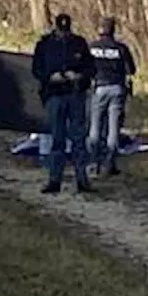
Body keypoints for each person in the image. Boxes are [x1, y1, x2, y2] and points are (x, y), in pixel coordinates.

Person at [31, 13, 96, 194]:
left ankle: (82, 179)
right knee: (57, 139)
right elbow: (36, 68)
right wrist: (50, 77)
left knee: (78, 138)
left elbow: (91, 68)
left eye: (66, 31)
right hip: (54, 95)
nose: (64, 35)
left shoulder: (79, 43)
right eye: (61, 31)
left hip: (75, 95)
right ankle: (54, 180)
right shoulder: (44, 44)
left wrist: (79, 76)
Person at [87, 16, 137, 177]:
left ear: (99, 29)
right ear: (113, 30)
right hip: (117, 88)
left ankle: (94, 162)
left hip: (99, 88)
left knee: (95, 127)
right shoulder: (120, 48)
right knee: (113, 129)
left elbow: (84, 68)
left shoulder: (91, 47)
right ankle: (110, 164)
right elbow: (131, 70)